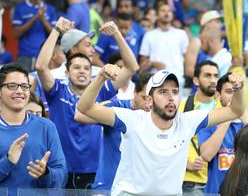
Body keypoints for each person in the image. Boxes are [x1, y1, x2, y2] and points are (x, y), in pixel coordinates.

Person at [77, 68, 245, 196]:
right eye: (163, 92)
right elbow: (84, 107)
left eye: (175, 92)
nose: (171, 97)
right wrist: (100, 77)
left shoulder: (187, 121)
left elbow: (235, 111)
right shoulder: (133, 119)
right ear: (149, 101)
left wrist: (238, 89)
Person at [36, 18, 139, 189]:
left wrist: (116, 34)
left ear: (92, 73)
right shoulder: (56, 90)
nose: (82, 71)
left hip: (95, 169)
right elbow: (40, 66)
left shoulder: (101, 89)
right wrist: (56, 30)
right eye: (76, 68)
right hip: (61, 169)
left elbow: (131, 67)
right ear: (67, 73)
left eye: (86, 68)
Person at [75, 72, 153, 191]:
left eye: (152, 100)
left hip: (140, 189)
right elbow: (80, 115)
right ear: (135, 92)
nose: (148, 105)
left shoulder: (160, 118)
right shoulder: (118, 107)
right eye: (144, 98)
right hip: (108, 187)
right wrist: (101, 76)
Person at [0, 63, 67, 196]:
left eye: (24, 86)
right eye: (12, 86)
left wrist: (45, 173)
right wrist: (7, 162)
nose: (19, 91)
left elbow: (62, 177)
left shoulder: (47, 127)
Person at [198, 73, 248, 194]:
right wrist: (229, 116)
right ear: (218, 96)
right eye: (229, 91)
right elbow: (206, 155)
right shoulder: (208, 122)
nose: (234, 96)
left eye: (237, 91)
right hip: (216, 192)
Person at [179, 60, 220, 196]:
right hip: (189, 181)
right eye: (208, 76)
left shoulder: (225, 110)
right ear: (196, 80)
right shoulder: (181, 107)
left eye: (216, 76)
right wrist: (185, 164)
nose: (213, 80)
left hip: (220, 181)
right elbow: (165, 141)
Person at [139, 3, 189, 92]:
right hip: (156, 81)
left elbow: (187, 59)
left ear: (172, 14)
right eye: (163, 10)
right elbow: (143, 62)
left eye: (169, 11)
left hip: (178, 79)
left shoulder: (181, 34)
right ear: (157, 15)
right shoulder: (149, 35)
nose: (166, 13)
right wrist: (153, 63)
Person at [13, 0, 57, 72]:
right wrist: (35, 17)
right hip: (25, 55)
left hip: (45, 55)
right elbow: (17, 33)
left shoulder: (50, 9)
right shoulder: (20, 7)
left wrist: (42, 18)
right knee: (24, 82)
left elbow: (54, 34)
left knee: (44, 83)